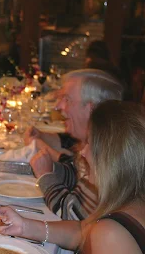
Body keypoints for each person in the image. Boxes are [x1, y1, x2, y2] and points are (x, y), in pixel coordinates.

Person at [0, 100, 145, 253]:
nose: (82, 152)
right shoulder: (133, 200)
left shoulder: (112, 234)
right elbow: (81, 232)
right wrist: (23, 226)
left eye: (89, 143)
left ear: (110, 158)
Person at [25, 69, 123, 220]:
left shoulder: (107, 157)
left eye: (67, 99)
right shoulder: (100, 143)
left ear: (91, 109)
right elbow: (75, 174)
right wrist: (51, 168)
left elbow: (71, 213)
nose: (58, 106)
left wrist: (45, 176)